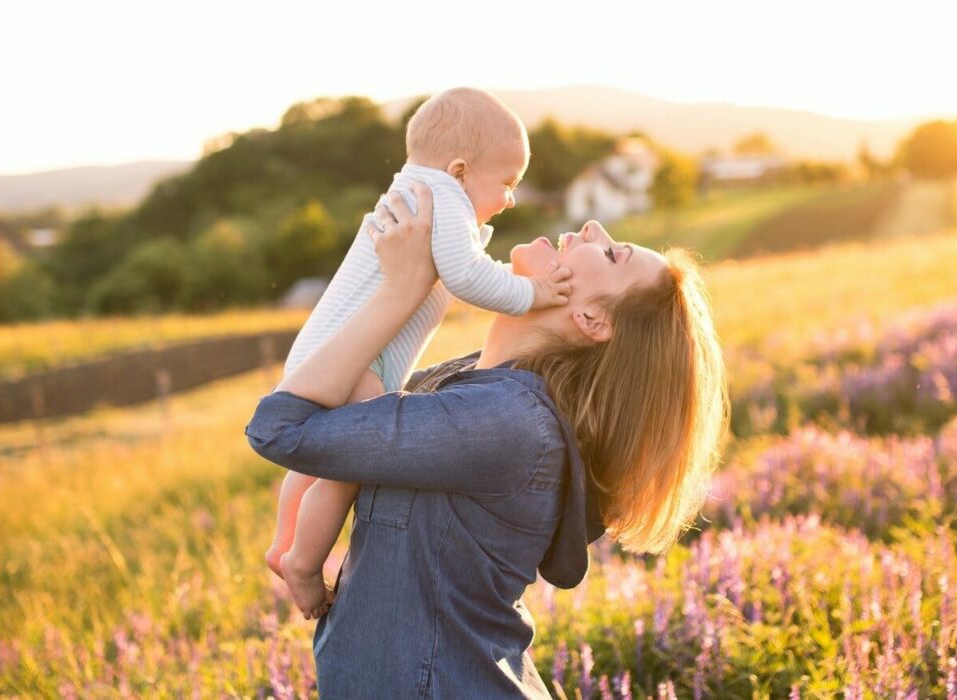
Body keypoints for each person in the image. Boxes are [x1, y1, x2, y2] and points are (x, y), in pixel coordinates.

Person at [245, 185, 729, 698]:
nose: (591, 230)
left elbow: (281, 428)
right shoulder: (471, 384)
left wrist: (399, 291)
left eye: (611, 253)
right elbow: (347, 400)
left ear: (591, 319)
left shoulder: (506, 421)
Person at [267, 87, 573, 616]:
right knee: (342, 473)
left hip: (338, 349)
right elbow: (467, 276)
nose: (511, 199)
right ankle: (302, 562)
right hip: (356, 359)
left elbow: (466, 267)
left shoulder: (419, 192)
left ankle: (283, 540)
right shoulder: (441, 198)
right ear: (459, 169)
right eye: (507, 183)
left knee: (316, 459)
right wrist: (533, 294)